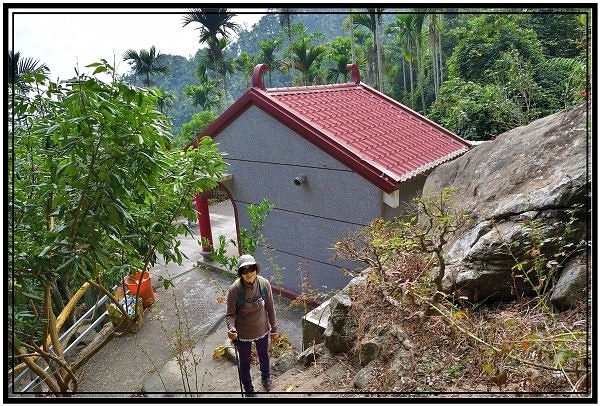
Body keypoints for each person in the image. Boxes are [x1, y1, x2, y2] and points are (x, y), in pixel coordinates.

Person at [225, 254, 278, 396]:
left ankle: (266, 378)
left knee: (264, 356)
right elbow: (230, 315)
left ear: (256, 269)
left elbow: (270, 307)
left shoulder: (264, 284)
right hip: (243, 333)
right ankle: (248, 389)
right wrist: (232, 329)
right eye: (244, 270)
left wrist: (274, 329)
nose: (249, 273)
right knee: (245, 363)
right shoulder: (234, 290)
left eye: (251, 269)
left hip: (262, 329)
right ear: (240, 273)